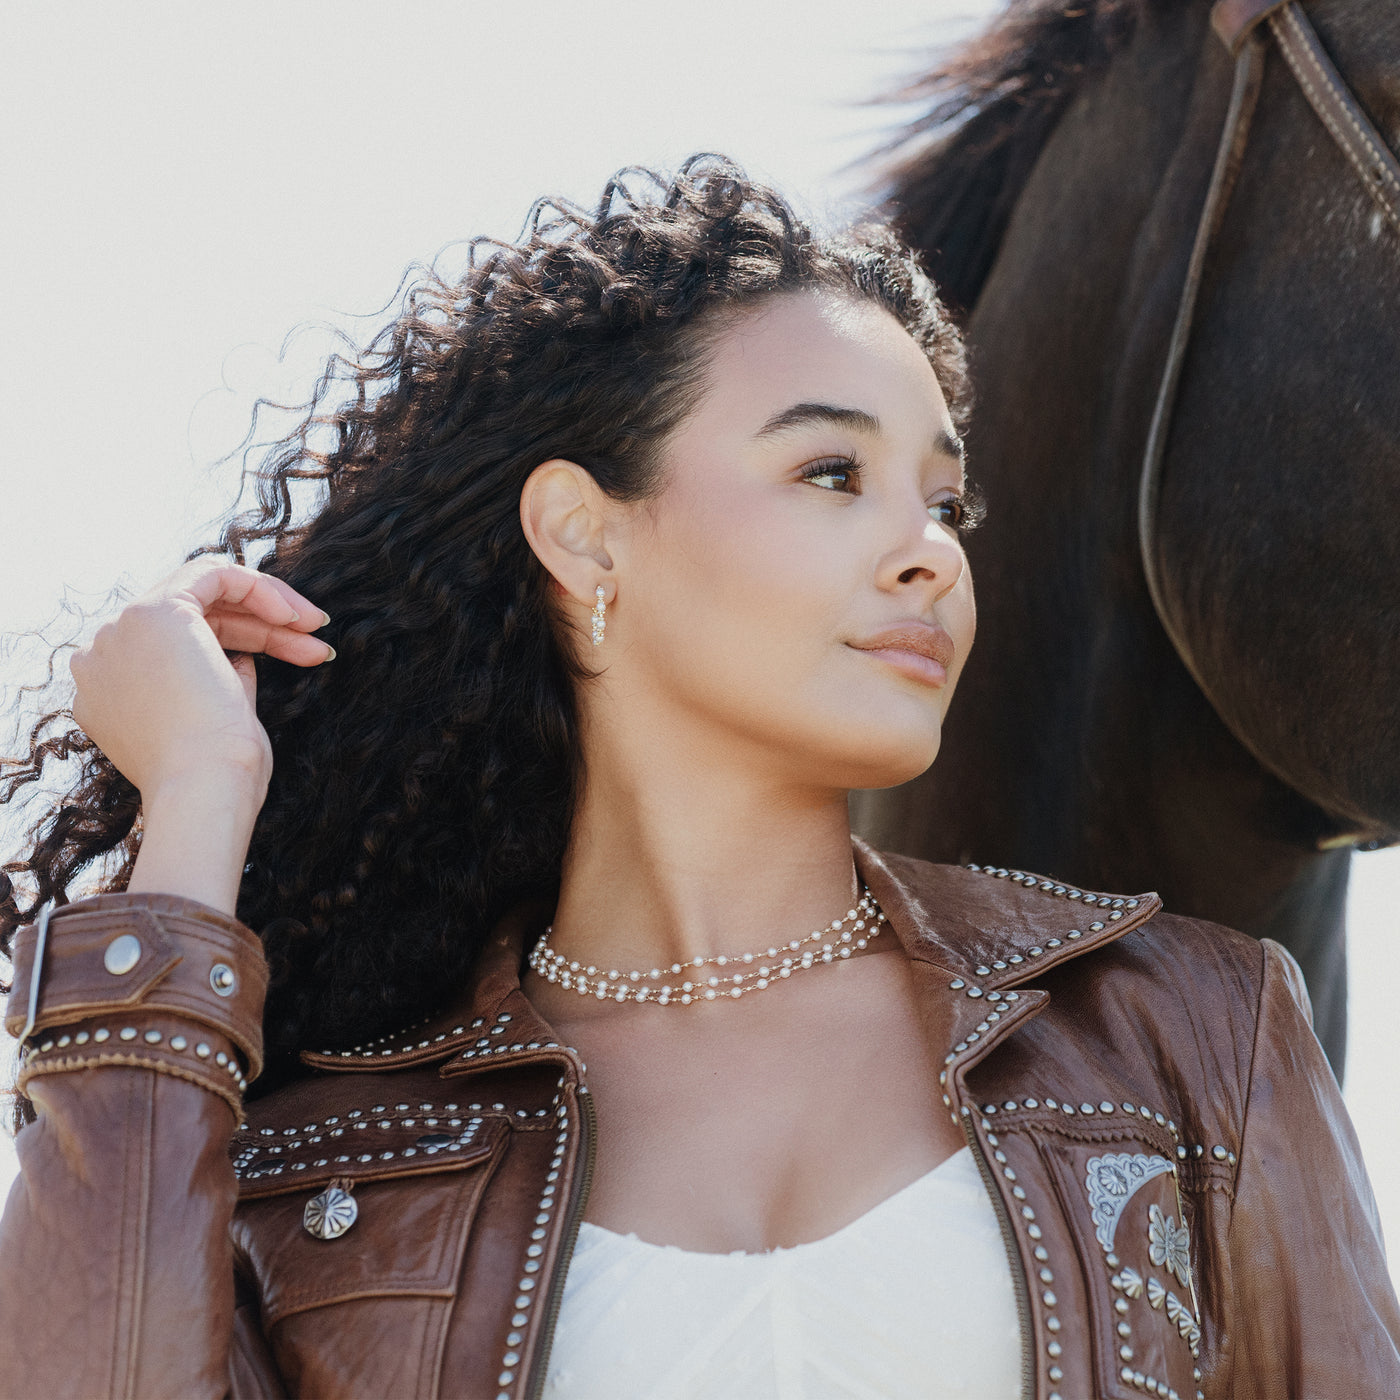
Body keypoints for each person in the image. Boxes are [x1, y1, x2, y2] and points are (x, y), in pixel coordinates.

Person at [0, 154, 1395, 1400]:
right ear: (584, 538)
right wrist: (194, 801)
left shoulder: (1192, 1034)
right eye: (833, 472)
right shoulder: (330, 1158)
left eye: (945, 499)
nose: (931, 552)